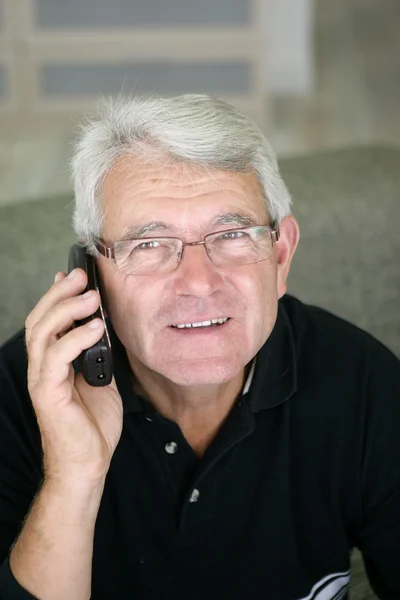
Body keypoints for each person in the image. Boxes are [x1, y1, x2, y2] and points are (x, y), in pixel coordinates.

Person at [0, 94, 399, 600]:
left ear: (280, 256)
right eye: (148, 244)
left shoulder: (362, 382)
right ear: (92, 277)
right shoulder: (19, 398)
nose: (198, 283)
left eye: (232, 234)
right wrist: (72, 475)